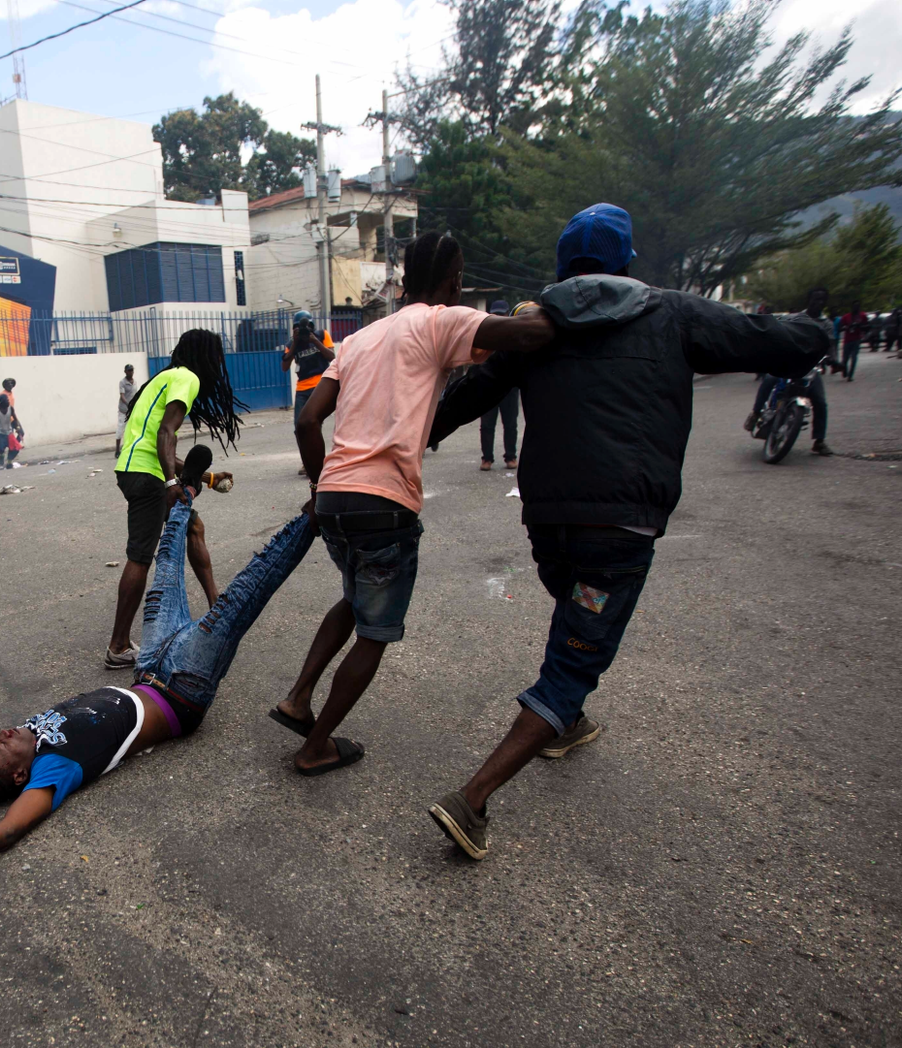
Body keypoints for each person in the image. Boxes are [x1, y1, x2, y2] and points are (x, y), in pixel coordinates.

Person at [421, 202, 827, 860]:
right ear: (627, 261)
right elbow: (773, 339)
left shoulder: (536, 325)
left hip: (548, 523)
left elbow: (468, 397)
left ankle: (566, 721)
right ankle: (473, 799)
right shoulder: (672, 311)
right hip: (619, 529)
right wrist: (816, 329)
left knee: (578, 608)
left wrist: (404, 440)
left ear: (563, 266)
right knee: (574, 657)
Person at [0, 472, 317, 903]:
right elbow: (6, 831)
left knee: (166, 563)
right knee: (247, 592)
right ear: (21, 776)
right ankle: (316, 515)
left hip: (147, 668)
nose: (1, 733)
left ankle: (186, 492)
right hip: (182, 690)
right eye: (2, 747)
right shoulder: (53, 771)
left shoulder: (14, 747)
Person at [272, 233, 555, 775]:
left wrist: (317, 487)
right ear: (454, 281)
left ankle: (299, 698)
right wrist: (529, 307)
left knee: (355, 598)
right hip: (384, 504)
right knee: (375, 630)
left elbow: (309, 420)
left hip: (333, 498)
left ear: (401, 281)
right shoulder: (442, 320)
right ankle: (316, 746)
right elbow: (532, 332)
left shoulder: (357, 340)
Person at [105, 330, 242, 669]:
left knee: (194, 526)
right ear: (206, 357)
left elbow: (156, 444)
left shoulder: (164, 377)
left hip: (136, 468)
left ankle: (216, 608)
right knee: (140, 556)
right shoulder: (187, 378)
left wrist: (207, 478)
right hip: (147, 477)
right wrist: (169, 482)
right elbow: (167, 433)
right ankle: (118, 646)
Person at [745, 286, 839, 456]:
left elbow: (831, 345)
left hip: (810, 368)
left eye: (822, 300)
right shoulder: (795, 318)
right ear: (809, 300)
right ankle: (755, 413)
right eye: (815, 299)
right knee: (769, 380)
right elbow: (777, 333)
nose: (818, 302)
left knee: (820, 401)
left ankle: (819, 441)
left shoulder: (827, 324)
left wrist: (834, 359)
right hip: (789, 363)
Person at [280, 310, 335, 476]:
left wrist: (314, 340)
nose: (303, 330)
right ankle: (307, 462)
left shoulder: (321, 335)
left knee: (314, 424)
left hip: (321, 385)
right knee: (299, 428)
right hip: (302, 388)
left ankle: (320, 461)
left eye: (306, 326)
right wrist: (295, 343)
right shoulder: (292, 343)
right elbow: (284, 367)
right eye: (299, 327)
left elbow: (332, 356)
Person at [477, 299, 521, 471]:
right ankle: (486, 459)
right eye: (496, 314)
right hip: (488, 386)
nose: (500, 317)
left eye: (502, 314)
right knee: (487, 425)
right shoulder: (485, 334)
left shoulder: (515, 335)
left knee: (510, 424)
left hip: (510, 387)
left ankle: (510, 457)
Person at [838, 304, 867, 380]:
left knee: (854, 358)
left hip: (856, 339)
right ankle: (845, 371)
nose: (856, 309)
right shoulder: (846, 316)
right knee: (845, 359)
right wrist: (847, 327)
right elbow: (840, 327)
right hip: (847, 340)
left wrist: (860, 327)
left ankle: (850, 376)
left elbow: (867, 326)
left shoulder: (862, 316)